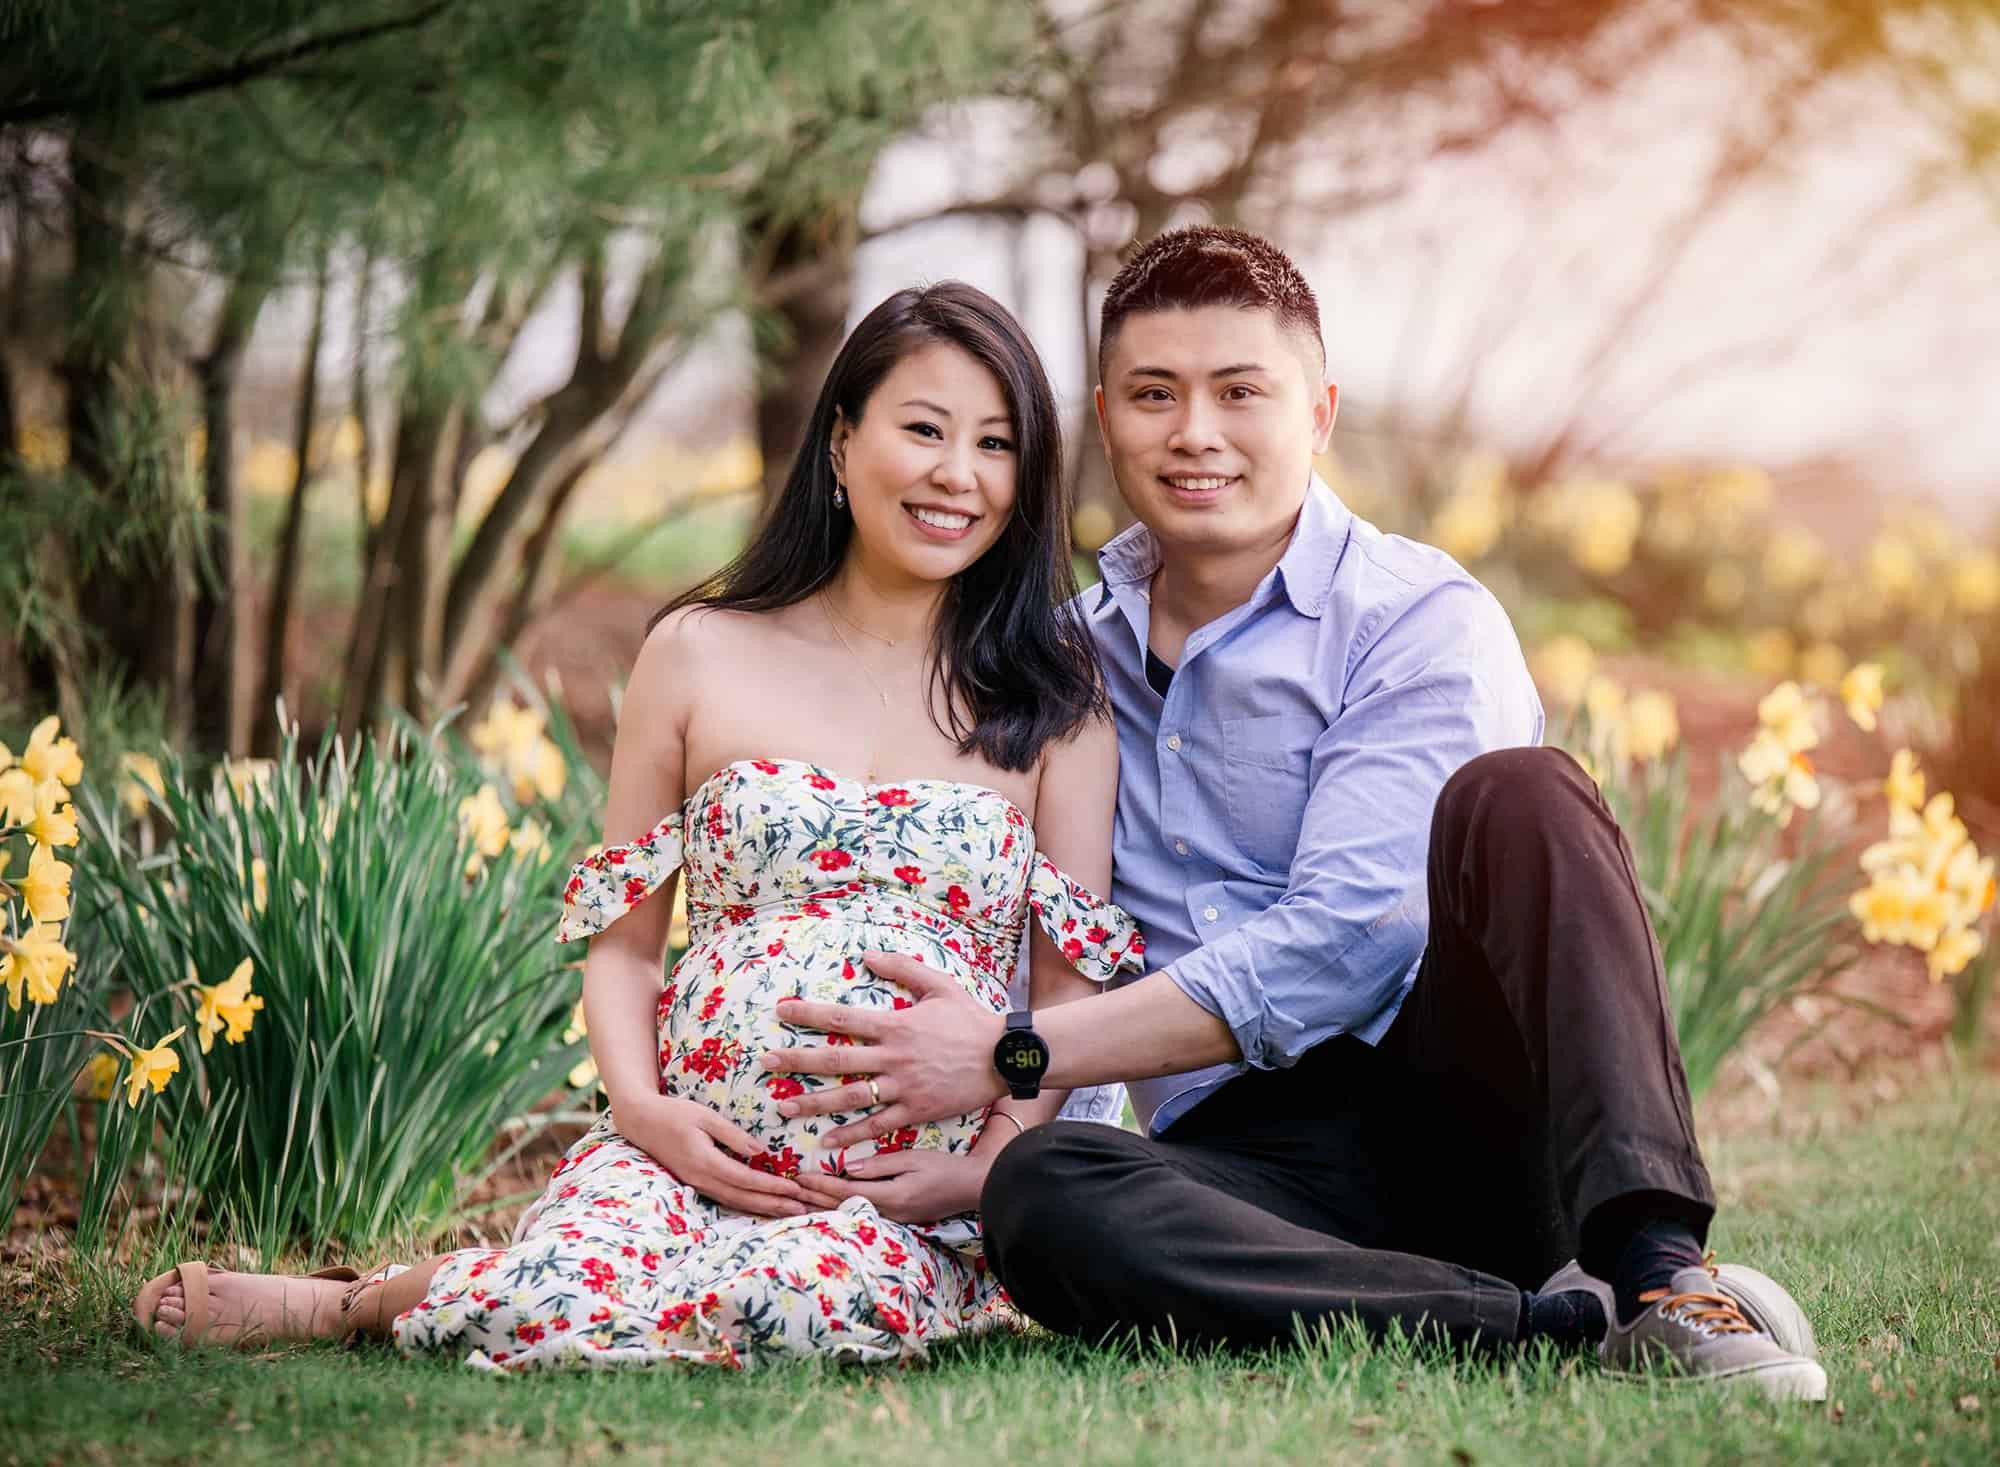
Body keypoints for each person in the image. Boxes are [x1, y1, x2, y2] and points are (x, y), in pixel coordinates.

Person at [765, 227, 1828, 1400]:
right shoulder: (1061, 664)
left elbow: (1352, 937)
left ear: (1317, 413)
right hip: (1247, 1167)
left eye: (1238, 392)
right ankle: (1557, 1324)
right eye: (1154, 395)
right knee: (1046, 1192)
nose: (1195, 434)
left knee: (1522, 794)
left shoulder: (1416, 618)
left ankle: (1661, 1271)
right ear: (1106, 418)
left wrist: (1013, 1055)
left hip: (1464, 1106)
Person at [132, 281, 1143, 1369]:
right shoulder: (699, 650)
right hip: (688, 1148)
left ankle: (450, 1294)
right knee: (559, 1296)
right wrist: (644, 1111)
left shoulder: (1058, 701)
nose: (959, 474)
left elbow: (1065, 994)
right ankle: (354, 1303)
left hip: (908, 1195)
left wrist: (989, 1161)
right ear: (841, 444)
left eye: (995, 444)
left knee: (798, 1306)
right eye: (925, 429)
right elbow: (623, 938)